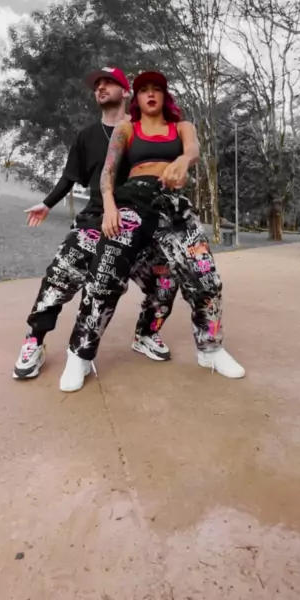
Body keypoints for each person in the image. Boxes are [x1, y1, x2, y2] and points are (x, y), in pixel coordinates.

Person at [59, 71, 245, 392]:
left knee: (205, 277)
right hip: (132, 204)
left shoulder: (182, 127)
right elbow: (108, 171)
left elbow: (193, 150)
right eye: (143, 89)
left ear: (164, 95)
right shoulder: (127, 128)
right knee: (105, 277)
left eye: (156, 89)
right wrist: (110, 206)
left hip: (173, 206)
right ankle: (80, 353)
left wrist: (182, 161)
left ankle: (210, 350)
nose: (150, 94)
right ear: (137, 98)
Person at [13, 66, 179, 381]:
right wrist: (47, 203)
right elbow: (69, 176)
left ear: (126, 92)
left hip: (142, 227)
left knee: (166, 281)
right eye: (97, 85)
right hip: (95, 221)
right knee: (58, 276)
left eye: (109, 83)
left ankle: (146, 333)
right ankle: (34, 341)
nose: (100, 88)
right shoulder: (86, 136)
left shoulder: (144, 132)